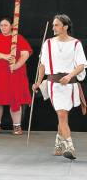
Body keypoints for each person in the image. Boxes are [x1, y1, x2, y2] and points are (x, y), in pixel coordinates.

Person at [33, 14, 87, 160]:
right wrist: (38, 82)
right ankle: (69, 147)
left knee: (62, 116)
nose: (53, 27)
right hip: (54, 85)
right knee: (62, 114)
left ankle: (58, 143)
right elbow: (42, 65)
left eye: (56, 25)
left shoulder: (76, 44)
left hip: (70, 85)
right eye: (53, 25)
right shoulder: (48, 43)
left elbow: (82, 65)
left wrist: (69, 76)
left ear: (65, 27)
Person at [0, 17, 32, 135]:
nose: (3, 28)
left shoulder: (19, 38)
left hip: (14, 74)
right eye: (1, 25)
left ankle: (17, 126)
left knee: (15, 98)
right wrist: (5, 56)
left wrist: (16, 65)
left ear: (11, 25)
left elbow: (25, 54)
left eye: (5, 25)